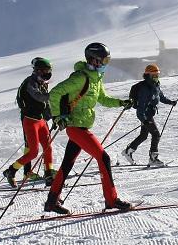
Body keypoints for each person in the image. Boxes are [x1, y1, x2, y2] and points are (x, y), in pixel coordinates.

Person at [44, 42, 133, 215]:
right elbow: (55, 93)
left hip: (82, 125)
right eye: (104, 60)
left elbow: (103, 99)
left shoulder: (96, 79)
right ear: (93, 59)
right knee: (104, 158)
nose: (105, 63)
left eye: (107, 60)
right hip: (76, 127)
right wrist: (58, 116)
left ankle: (52, 201)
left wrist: (121, 103)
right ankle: (111, 199)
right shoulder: (80, 77)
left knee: (67, 164)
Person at [3, 57, 56, 187]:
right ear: (38, 70)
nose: (47, 73)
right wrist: (54, 94)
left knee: (48, 148)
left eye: (49, 70)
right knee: (33, 152)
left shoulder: (42, 82)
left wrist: (54, 116)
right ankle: (11, 170)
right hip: (30, 121)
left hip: (41, 120)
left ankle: (48, 175)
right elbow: (38, 96)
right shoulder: (30, 82)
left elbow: (46, 103)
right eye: (45, 70)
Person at [121, 64, 177, 167]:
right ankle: (153, 158)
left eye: (157, 75)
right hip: (145, 115)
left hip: (148, 114)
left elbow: (161, 97)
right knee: (156, 135)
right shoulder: (145, 88)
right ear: (148, 75)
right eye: (154, 75)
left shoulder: (155, 85)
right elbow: (140, 108)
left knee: (143, 135)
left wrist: (171, 102)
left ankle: (128, 151)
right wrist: (144, 120)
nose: (156, 77)